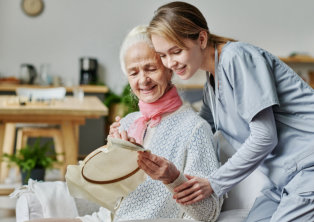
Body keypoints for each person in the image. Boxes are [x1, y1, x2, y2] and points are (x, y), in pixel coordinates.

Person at [134, 1, 314, 222]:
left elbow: (265, 136)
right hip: (281, 182)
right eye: (162, 55)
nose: (170, 63)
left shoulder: (237, 57)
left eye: (176, 51)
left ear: (201, 39)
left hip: (308, 169)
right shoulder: (211, 87)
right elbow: (192, 133)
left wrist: (214, 183)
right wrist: (136, 132)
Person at [64, 25, 222, 222]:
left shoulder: (195, 129)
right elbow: (107, 196)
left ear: (168, 69)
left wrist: (173, 179)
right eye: (133, 72)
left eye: (151, 68)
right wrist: (113, 155)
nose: (143, 80)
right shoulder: (129, 122)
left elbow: (209, 213)